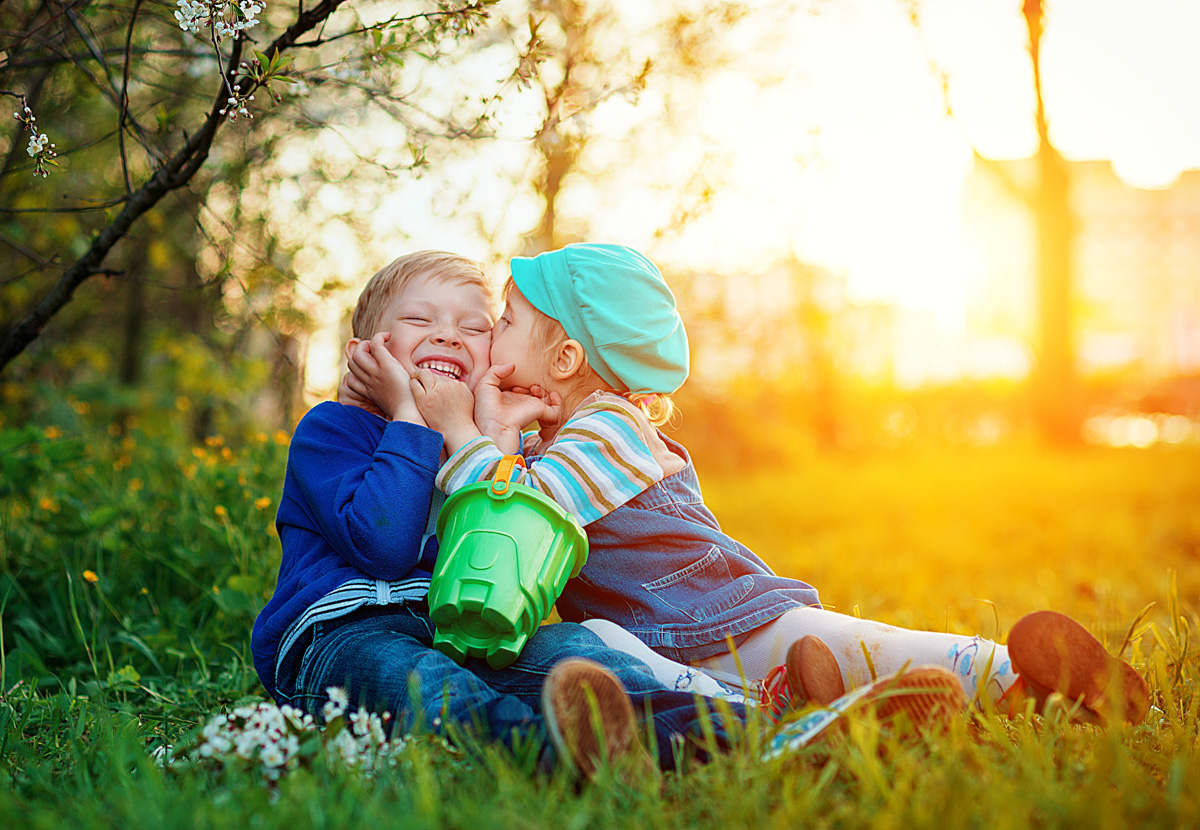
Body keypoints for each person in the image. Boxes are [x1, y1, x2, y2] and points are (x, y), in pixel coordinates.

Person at [252, 249, 963, 783]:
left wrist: (489, 433)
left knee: (581, 658)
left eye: (476, 328)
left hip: (456, 634)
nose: (449, 335)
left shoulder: (465, 446)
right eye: (418, 321)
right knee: (430, 689)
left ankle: (778, 733)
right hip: (340, 636)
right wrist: (411, 416)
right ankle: (559, 757)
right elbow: (381, 544)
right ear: (364, 352)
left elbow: (493, 561)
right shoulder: (332, 430)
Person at [390, 243, 1148, 726]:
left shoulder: (608, 430)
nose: (491, 344)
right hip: (678, 641)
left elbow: (516, 521)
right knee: (628, 652)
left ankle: (1021, 673)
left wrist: (469, 433)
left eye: (509, 321)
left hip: (720, 620)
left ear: (563, 361)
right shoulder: (556, 437)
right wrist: (497, 433)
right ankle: (898, 708)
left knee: (866, 644)